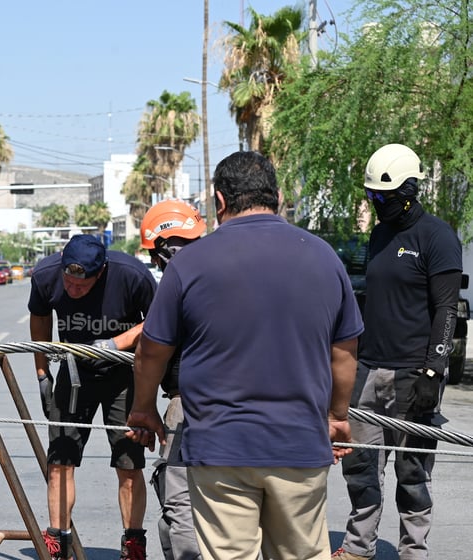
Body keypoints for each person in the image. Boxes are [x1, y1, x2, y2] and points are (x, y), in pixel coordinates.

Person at [126, 150, 364, 560]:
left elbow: (151, 352)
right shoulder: (324, 257)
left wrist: (143, 408)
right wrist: (337, 416)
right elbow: (345, 352)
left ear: (219, 202)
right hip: (300, 445)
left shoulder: (190, 264)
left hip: (220, 450)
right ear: (279, 196)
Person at [333, 143, 463, 560]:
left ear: (409, 190)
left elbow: (447, 308)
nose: (376, 203)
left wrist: (433, 371)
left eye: (382, 197)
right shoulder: (379, 234)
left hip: (413, 372)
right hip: (369, 368)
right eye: (372, 196)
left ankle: (413, 551)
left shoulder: (438, 236)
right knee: (360, 464)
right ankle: (358, 547)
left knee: (412, 472)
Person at [28, 233, 157, 560]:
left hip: (123, 375)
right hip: (73, 374)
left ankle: (133, 542)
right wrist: (42, 373)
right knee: (60, 460)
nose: (72, 290)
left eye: (80, 287)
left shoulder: (132, 276)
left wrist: (117, 342)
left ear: (100, 273)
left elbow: (160, 321)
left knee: (129, 465)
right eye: (68, 283)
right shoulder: (45, 275)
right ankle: (59, 538)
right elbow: (40, 319)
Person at [139, 200, 205, 560]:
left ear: (168, 247)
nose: (154, 264)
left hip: (189, 403)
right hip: (247, 404)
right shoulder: (227, 270)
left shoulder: (177, 284)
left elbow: (150, 349)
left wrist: (143, 408)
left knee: (179, 501)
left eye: (155, 255)